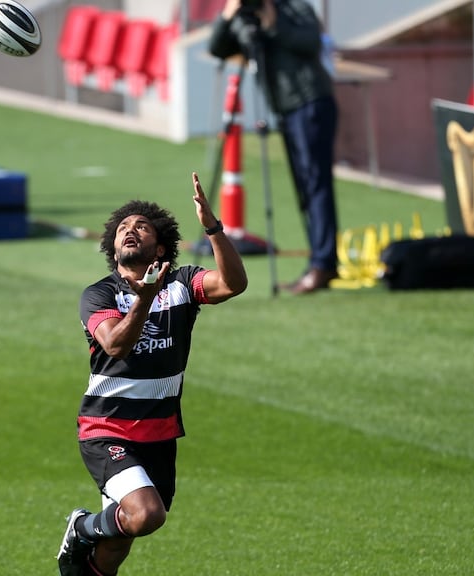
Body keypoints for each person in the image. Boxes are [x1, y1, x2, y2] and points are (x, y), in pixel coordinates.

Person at [57, 172, 248, 576]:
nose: (130, 230)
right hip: (106, 428)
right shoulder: (100, 294)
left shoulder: (181, 284)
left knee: (117, 545)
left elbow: (233, 283)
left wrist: (213, 228)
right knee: (145, 515)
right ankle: (80, 527)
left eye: (141, 227)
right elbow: (116, 345)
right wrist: (142, 301)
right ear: (112, 245)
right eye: (123, 228)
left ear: (159, 246)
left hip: (159, 434)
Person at [209, 0, 340, 294]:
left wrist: (273, 22)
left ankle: (323, 263)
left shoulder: (293, 8)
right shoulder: (244, 15)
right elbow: (217, 47)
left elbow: (310, 42)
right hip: (288, 110)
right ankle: (322, 260)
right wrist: (229, 12)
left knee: (316, 184)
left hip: (310, 103)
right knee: (306, 188)